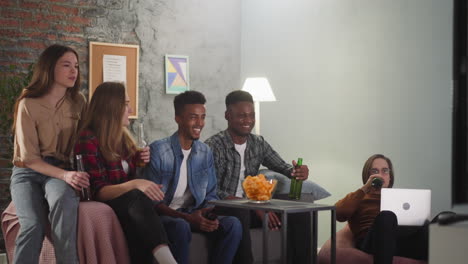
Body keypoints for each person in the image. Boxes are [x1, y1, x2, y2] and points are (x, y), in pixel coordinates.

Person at [74, 82, 177, 264]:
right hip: (108, 200)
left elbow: (123, 170)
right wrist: (135, 184)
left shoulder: (121, 138)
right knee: (137, 199)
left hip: (130, 205)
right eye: (126, 103)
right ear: (112, 107)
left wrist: (138, 159)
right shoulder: (87, 138)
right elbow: (97, 191)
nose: (130, 109)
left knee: (143, 224)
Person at [205, 90, 312, 263]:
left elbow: (283, 167)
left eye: (251, 115)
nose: (248, 121)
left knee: (299, 210)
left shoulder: (258, 143)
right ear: (228, 116)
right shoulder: (213, 146)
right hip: (224, 208)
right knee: (241, 213)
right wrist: (254, 207)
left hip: (252, 207)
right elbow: (213, 191)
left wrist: (297, 171)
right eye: (241, 116)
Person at [10, 44, 89, 264]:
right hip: (27, 171)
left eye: (75, 66)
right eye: (66, 65)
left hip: (61, 169)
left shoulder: (78, 102)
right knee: (32, 225)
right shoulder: (28, 104)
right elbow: (29, 158)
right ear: (49, 68)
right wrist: (65, 176)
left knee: (64, 206)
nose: (73, 71)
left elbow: (91, 138)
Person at [144, 90, 242, 264]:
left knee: (233, 224)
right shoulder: (159, 150)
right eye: (193, 117)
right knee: (180, 226)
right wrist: (188, 219)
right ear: (178, 118)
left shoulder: (204, 152)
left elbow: (211, 195)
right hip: (166, 216)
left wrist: (205, 215)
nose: (200, 123)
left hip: (192, 213)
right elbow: (153, 204)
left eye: (202, 117)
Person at [335, 154, 428, 264]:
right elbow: (338, 214)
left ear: (390, 177)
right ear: (367, 176)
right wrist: (365, 188)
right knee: (387, 216)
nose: (380, 175)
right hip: (372, 242)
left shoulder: (401, 198)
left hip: (400, 242)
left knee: (440, 220)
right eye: (374, 171)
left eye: (385, 171)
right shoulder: (359, 196)